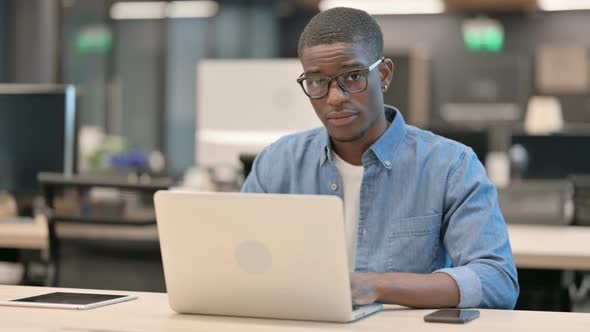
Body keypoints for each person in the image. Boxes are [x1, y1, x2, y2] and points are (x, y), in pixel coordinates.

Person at [241, 7, 518, 309]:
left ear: (383, 74)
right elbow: (238, 262)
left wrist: (375, 285)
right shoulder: (277, 163)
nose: (335, 97)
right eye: (318, 81)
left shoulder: (450, 165)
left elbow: (497, 280)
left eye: (353, 76)